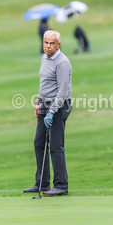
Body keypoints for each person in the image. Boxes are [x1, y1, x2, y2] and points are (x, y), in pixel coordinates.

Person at [24, 30, 72, 197]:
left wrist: (52, 111)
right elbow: (44, 83)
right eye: (46, 42)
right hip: (45, 104)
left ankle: (61, 185)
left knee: (56, 145)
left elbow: (63, 91)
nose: (48, 46)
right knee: (39, 143)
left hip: (60, 105)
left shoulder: (62, 62)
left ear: (58, 45)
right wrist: (38, 101)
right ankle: (42, 184)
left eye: (52, 43)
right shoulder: (45, 58)